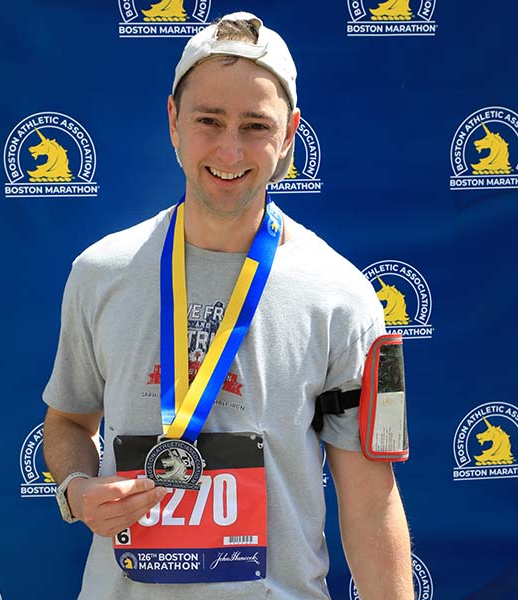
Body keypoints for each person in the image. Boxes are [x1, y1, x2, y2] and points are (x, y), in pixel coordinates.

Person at [42, 11, 413, 600]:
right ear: (173, 121)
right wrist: (77, 489)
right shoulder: (99, 273)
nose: (230, 149)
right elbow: (66, 421)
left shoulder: (345, 297)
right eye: (208, 121)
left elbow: (371, 499)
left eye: (255, 125)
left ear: (290, 132)